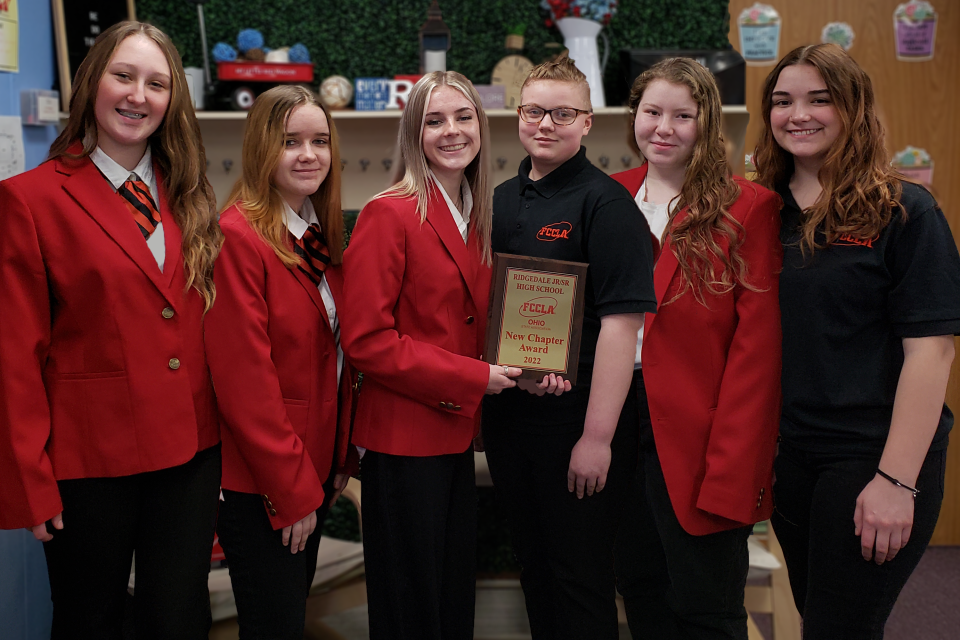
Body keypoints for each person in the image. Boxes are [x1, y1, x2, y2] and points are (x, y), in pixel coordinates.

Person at [0, 21, 222, 639]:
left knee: (179, 620)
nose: (138, 96)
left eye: (156, 83)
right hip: (88, 463)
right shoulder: (29, 200)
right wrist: (30, 481)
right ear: (91, 83)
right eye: (123, 76)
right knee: (87, 621)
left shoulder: (191, 194)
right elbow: (15, 355)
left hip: (190, 456)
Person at [753, 43, 960, 639]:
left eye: (821, 99)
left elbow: (932, 352)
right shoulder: (761, 212)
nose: (799, 114)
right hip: (790, 457)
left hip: (872, 456)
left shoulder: (904, 211)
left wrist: (896, 482)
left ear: (854, 108)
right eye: (783, 101)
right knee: (819, 616)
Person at [481, 54, 658, 639]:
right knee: (534, 569)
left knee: (579, 579)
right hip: (512, 415)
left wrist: (597, 438)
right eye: (535, 110)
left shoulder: (606, 205)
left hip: (576, 424)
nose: (546, 124)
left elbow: (621, 327)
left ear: (587, 122)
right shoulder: (500, 199)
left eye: (563, 112)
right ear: (518, 116)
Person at [338, 71, 519, 640]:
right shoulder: (387, 213)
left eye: (463, 117)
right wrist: (476, 378)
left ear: (481, 127)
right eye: (434, 120)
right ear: (413, 132)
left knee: (448, 600)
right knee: (411, 608)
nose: (452, 131)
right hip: (403, 441)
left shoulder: (479, 212)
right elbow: (366, 341)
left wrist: (526, 368)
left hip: (457, 432)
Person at [610, 57, 782, 639]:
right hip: (617, 422)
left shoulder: (748, 206)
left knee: (707, 608)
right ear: (633, 115)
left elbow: (755, 354)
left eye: (683, 115)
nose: (664, 127)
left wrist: (732, 465)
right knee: (642, 592)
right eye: (652, 112)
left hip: (703, 434)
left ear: (706, 123)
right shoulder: (608, 196)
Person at [204, 85, 358, 639]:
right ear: (261, 149)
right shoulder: (236, 238)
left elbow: (334, 361)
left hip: (312, 471)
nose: (309, 154)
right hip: (264, 486)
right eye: (290, 142)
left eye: (320, 141)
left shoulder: (319, 235)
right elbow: (246, 386)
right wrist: (292, 493)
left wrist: (337, 458)